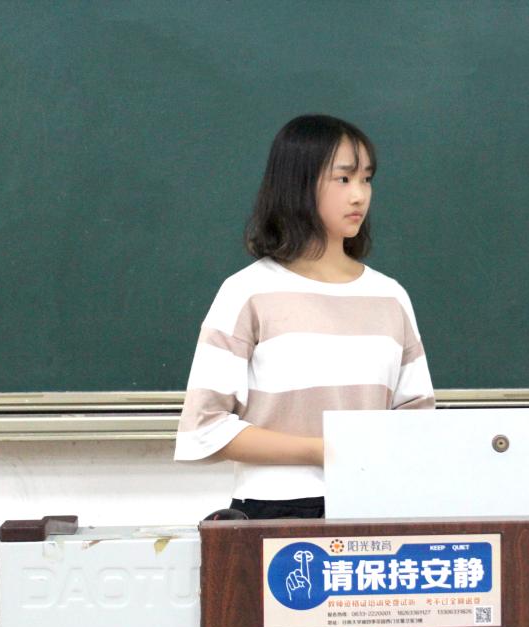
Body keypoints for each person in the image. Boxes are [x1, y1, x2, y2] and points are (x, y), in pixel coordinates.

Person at [174, 114, 435, 519]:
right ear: (298, 183)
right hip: (274, 509)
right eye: (343, 178)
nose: (359, 195)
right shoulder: (247, 292)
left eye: (366, 179)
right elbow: (205, 426)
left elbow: (419, 421)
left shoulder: (390, 296)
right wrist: (320, 450)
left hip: (376, 506)